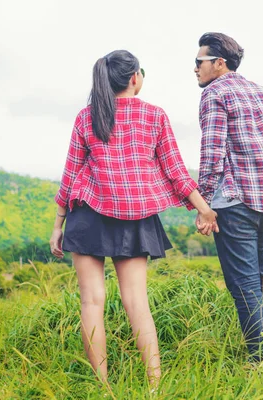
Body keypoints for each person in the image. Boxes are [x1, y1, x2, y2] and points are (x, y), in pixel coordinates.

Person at [49, 50, 218, 385]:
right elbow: (176, 172)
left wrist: (57, 226)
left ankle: (103, 387)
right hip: (135, 217)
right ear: (134, 78)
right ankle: (154, 384)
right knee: (136, 300)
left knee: (91, 301)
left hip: (87, 214)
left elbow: (70, 175)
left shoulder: (87, 117)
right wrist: (205, 209)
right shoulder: (154, 116)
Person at [193, 33, 263, 360]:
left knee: (245, 288)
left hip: (235, 205)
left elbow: (212, 156)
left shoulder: (214, 94)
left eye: (199, 62)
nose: (195, 68)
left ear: (219, 63)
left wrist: (204, 205)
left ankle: (261, 361)